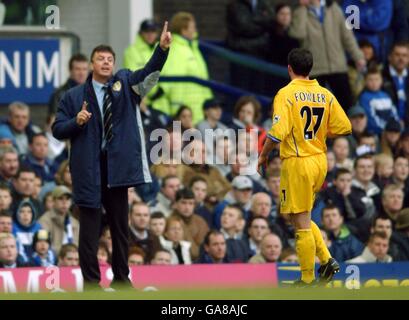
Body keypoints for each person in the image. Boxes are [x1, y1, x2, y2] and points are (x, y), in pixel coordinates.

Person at [52, 22, 171, 290]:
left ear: (114, 64)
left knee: (120, 227)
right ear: (92, 64)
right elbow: (57, 130)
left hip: (117, 167)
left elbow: (148, 72)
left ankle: (121, 278)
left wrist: (161, 50)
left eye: (110, 59)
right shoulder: (72, 97)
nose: (106, 63)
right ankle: (91, 283)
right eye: (100, 59)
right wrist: (77, 121)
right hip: (88, 169)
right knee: (90, 230)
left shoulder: (126, 83)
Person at [258, 48, 352, 286]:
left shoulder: (286, 94)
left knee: (299, 221)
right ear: (310, 69)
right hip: (319, 159)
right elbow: (345, 126)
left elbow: (278, 132)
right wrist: (319, 134)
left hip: (298, 161)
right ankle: (327, 259)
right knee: (296, 215)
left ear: (289, 68)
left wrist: (263, 155)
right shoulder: (325, 94)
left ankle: (308, 278)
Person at [288, 0, 365, 110]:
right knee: (316, 109)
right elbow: (298, 34)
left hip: (338, 66)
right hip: (315, 69)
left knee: (346, 105)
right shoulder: (300, 11)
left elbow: (347, 36)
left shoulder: (334, 8)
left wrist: (358, 56)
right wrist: (301, 9)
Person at [152, 12, 212, 124]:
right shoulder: (177, 49)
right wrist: (176, 109)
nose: (195, 30)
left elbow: (203, 79)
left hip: (198, 109)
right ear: (183, 30)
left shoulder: (193, 47)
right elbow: (172, 77)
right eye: (193, 27)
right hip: (185, 111)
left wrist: (209, 103)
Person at [38, 186, 79, 254]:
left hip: (75, 260)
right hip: (55, 261)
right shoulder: (44, 220)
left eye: (67, 199)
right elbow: (44, 247)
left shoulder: (75, 222)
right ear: (53, 201)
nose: (64, 202)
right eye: (60, 198)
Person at [171, 188, 209, 260]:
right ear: (176, 204)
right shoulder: (169, 222)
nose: (187, 207)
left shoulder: (200, 222)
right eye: (183, 203)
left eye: (190, 203)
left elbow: (206, 248)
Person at [359, 67, 399, 135]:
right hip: (376, 133)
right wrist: (386, 129)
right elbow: (370, 118)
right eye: (370, 80)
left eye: (376, 79)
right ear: (365, 81)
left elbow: (394, 112)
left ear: (381, 81)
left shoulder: (386, 95)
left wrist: (395, 125)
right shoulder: (364, 97)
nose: (374, 83)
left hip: (390, 131)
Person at [382, 41, 409, 125]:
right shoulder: (380, 76)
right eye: (397, 55)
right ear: (390, 57)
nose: (401, 59)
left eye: (404, 55)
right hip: (387, 126)